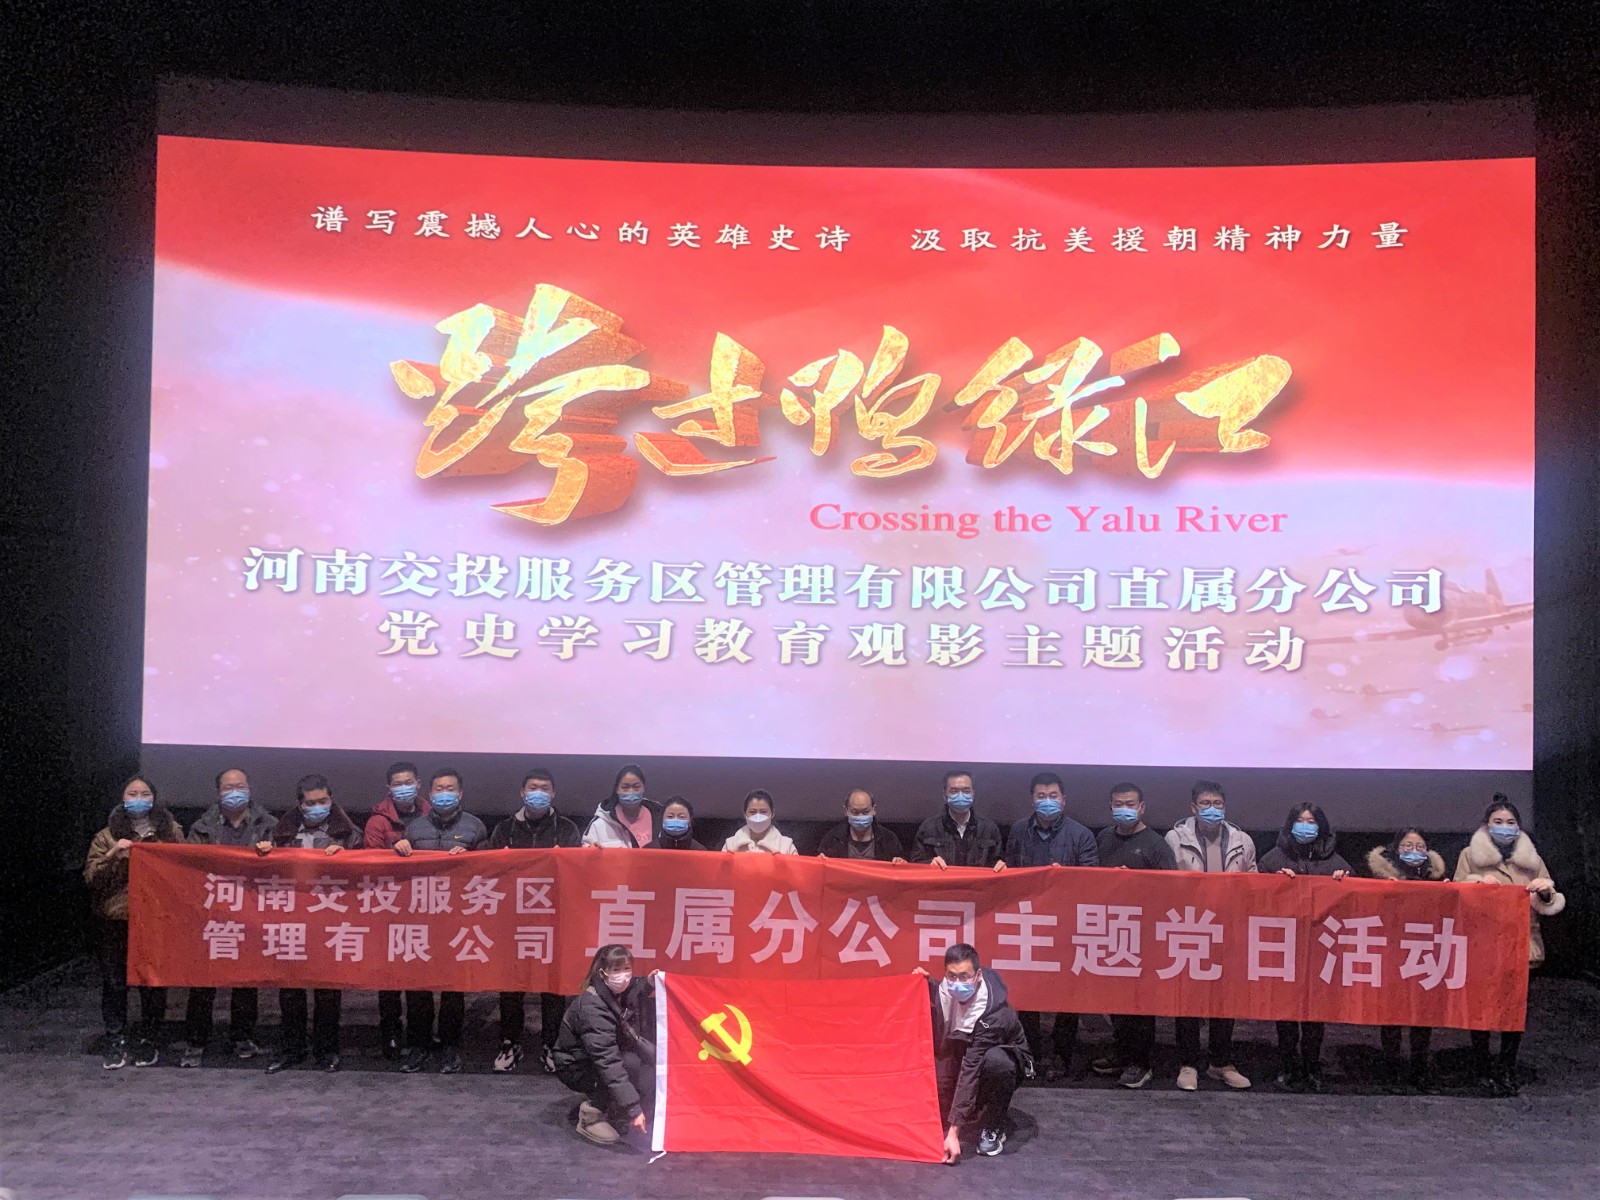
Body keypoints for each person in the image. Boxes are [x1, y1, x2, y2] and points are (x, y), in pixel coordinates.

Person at [1454, 795, 1563, 1096]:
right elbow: (1457, 893)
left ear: (1518, 826)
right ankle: (1481, 1067)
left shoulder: (1532, 859)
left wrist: (1544, 892)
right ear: (1486, 826)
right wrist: (1477, 886)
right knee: (1481, 1008)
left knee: (1514, 1009)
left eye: (1510, 822)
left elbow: (1549, 899)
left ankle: (1506, 1066)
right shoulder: (1469, 855)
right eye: (1498, 822)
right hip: (1484, 944)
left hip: (1521, 944)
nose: (1505, 827)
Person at [84, 775, 184, 1069]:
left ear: (154, 798)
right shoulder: (106, 836)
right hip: (116, 919)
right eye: (132, 794)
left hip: (155, 919)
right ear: (123, 798)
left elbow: (184, 871)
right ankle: (116, 1038)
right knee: (115, 983)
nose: (139, 799)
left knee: (152, 983)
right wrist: (114, 853)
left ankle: (150, 1038)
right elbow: (91, 877)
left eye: (145, 793)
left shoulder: (170, 831)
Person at [262, 773, 360, 1073]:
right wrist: (263, 852)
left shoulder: (349, 833)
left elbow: (365, 869)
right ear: (299, 805)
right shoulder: (280, 832)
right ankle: (292, 1048)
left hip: (330, 918)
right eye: (310, 803)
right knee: (290, 988)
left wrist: (347, 856)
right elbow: (265, 872)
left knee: (327, 989)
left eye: (323, 801)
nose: (317, 807)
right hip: (291, 916)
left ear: (331, 800)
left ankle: (326, 1050)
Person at [1003, 771, 1096, 1081]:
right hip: (1029, 922)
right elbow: (1011, 873)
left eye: (1053, 796)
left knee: (1067, 994)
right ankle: (1028, 1052)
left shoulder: (1081, 835)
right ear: (1032, 800)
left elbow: (1094, 883)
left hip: (1069, 926)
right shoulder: (1018, 830)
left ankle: (1061, 1054)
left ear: (1063, 800)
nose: (1047, 801)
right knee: (1027, 993)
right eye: (1041, 796)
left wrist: (1065, 880)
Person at [488, 767, 582, 1074]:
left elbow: (576, 872)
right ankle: (510, 1042)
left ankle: (550, 1043)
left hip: (553, 920)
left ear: (553, 793)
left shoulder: (567, 829)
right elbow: (488, 871)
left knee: (552, 985)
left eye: (544, 788)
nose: (537, 793)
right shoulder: (504, 829)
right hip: (512, 920)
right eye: (532, 787)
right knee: (511, 984)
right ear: (522, 792)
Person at [178, 766, 274, 1067]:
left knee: (246, 980)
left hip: (251, 910)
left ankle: (242, 1036)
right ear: (218, 793)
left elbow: (282, 867)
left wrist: (270, 853)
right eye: (229, 787)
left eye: (241, 786)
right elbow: (189, 867)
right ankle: (196, 1040)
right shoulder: (202, 827)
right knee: (202, 981)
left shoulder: (268, 825)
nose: (235, 792)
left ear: (250, 789)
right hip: (212, 912)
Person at [1164, 779, 1255, 1092]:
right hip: (1189, 925)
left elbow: (1254, 883)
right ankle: (1188, 1063)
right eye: (1205, 804)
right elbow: (1164, 884)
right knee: (1188, 1000)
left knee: (1224, 998)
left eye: (1217, 804)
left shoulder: (1242, 840)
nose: (1212, 809)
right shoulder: (1175, 839)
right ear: (1193, 807)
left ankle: (1220, 1062)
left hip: (1229, 928)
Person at [396, 766, 488, 1073]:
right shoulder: (414, 828)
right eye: (438, 789)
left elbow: (489, 873)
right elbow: (400, 874)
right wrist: (398, 850)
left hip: (456, 919)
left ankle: (450, 1046)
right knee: (417, 987)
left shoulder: (475, 827)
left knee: (452, 988)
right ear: (430, 793)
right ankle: (419, 1044)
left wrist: (472, 860)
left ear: (460, 794)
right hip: (420, 918)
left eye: (450, 789)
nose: (444, 794)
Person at [1259, 802, 1351, 1091]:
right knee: (1286, 1012)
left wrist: (1344, 884)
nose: (1306, 826)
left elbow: (1353, 905)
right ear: (1290, 825)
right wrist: (1274, 885)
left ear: (1321, 827)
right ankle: (1288, 1064)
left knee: (1314, 1014)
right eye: (1300, 820)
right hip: (1284, 948)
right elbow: (1255, 899)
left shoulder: (1336, 862)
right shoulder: (1273, 860)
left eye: (1312, 821)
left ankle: (1312, 1065)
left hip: (1320, 949)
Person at [1089, 783, 1175, 1088]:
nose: (1123, 809)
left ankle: (1141, 1062)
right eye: (1118, 804)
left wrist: (1136, 883)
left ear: (1142, 808)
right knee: (1116, 999)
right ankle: (1122, 1054)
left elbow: (1171, 891)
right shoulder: (1103, 838)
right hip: (1112, 929)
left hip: (1145, 934)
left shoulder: (1156, 844)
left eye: (1129, 804)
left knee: (1140, 1002)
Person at [918, 943, 1031, 1163]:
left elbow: (972, 1067)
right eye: (952, 976)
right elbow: (940, 992)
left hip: (1003, 1060)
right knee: (938, 1096)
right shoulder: (947, 988)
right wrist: (923, 983)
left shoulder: (993, 1014)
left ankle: (994, 1124)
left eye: (964, 977)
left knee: (996, 1063)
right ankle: (972, 1109)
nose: (957, 983)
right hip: (964, 1050)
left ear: (978, 976)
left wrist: (954, 1133)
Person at [1366, 826, 1447, 1091]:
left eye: (1420, 847)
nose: (1414, 851)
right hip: (1391, 951)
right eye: (1407, 846)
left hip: (1424, 951)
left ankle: (1419, 1070)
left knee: (1422, 1014)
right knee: (1391, 1014)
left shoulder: (1437, 878)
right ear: (1396, 849)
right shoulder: (1380, 875)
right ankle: (1391, 1070)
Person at [552, 945, 657, 1147]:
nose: (623, 976)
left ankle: (616, 1106)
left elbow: (634, 990)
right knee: (627, 1064)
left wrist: (649, 983)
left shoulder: (612, 992)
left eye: (627, 969)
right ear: (602, 973)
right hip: (575, 1065)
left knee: (646, 1065)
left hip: (598, 1056)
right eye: (616, 970)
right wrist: (633, 1108)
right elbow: (607, 1062)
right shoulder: (592, 1007)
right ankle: (592, 1115)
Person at [363, 760, 431, 1063]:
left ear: (418, 784)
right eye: (397, 784)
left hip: (424, 906)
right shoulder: (377, 823)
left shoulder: (431, 815)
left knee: (421, 975)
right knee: (389, 977)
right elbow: (369, 864)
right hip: (388, 907)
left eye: (408, 782)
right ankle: (390, 1032)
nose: (404, 788)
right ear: (389, 788)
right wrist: (392, 854)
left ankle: (421, 1035)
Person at [910, 770, 1006, 871]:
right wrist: (929, 864)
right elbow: (915, 865)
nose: (960, 796)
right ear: (945, 795)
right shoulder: (929, 828)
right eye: (954, 791)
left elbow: (998, 863)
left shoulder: (989, 829)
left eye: (966, 791)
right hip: (943, 881)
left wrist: (1001, 866)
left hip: (977, 882)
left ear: (973, 794)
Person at [583, 763, 662, 849]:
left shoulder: (659, 817)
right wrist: (590, 848)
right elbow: (584, 851)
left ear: (643, 788)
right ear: (617, 789)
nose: (631, 791)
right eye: (625, 787)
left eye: (636, 787)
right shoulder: (600, 823)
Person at [817, 788, 907, 861]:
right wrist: (820, 861)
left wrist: (900, 863)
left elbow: (901, 870)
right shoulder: (832, 839)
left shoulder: (889, 840)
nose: (860, 816)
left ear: (874, 810)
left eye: (866, 812)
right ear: (846, 811)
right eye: (855, 812)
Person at [721, 789, 798, 854]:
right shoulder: (730, 844)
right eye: (752, 812)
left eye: (763, 812)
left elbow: (796, 867)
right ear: (745, 814)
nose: (758, 816)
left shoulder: (787, 845)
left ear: (772, 814)